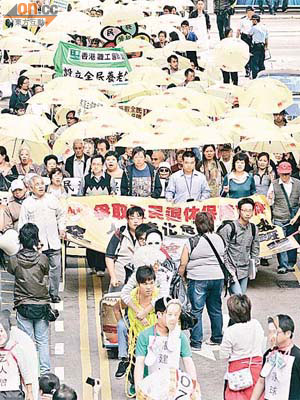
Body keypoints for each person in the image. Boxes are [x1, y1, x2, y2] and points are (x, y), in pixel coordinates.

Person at [7, 223, 51, 375]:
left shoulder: (14, 260)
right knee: (42, 340)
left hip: (23, 304)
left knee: (27, 342)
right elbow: (46, 270)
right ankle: (45, 372)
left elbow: (11, 270)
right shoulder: (42, 258)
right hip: (41, 306)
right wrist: (39, 251)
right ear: (36, 239)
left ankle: (30, 372)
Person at [179, 212, 226, 350]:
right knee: (216, 309)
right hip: (217, 278)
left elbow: (183, 263)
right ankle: (217, 338)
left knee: (196, 311)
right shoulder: (219, 238)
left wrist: (181, 276)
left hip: (198, 278)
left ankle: (196, 342)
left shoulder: (191, 241)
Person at [19, 175, 66, 303]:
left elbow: (61, 214)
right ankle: (39, 294)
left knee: (55, 269)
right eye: (37, 184)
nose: (40, 186)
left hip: (54, 241)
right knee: (37, 271)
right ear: (30, 187)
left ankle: (54, 294)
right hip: (37, 245)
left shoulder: (52, 199)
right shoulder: (27, 203)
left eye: (42, 183)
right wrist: (27, 244)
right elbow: (23, 225)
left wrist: (61, 228)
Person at [135, 297, 198, 391]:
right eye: (169, 315)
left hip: (173, 385)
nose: (173, 319)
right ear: (159, 314)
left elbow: (188, 362)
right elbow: (139, 363)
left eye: (176, 315)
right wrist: (138, 388)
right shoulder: (145, 335)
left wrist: (194, 387)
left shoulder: (180, 336)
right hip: (150, 385)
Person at [114, 266, 157, 396]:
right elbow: (116, 309)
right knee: (136, 366)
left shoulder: (159, 297)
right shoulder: (130, 297)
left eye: (151, 283)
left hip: (155, 339)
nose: (149, 287)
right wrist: (124, 328)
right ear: (138, 284)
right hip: (136, 339)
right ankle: (135, 385)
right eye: (145, 283)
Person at [220, 295, 264, 400]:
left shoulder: (230, 331)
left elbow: (223, 355)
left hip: (237, 370)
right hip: (257, 368)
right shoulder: (256, 324)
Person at [251, 314, 300, 400]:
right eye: (270, 332)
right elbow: (261, 381)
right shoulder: (269, 354)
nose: (271, 336)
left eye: (275, 332)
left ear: (288, 333)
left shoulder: (297, 357)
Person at [218, 198, 260, 294]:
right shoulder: (229, 228)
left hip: (244, 270)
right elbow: (222, 251)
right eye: (245, 210)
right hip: (231, 269)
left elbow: (255, 248)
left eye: (250, 210)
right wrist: (228, 270)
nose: (247, 213)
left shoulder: (254, 228)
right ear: (239, 211)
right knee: (239, 297)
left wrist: (254, 264)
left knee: (239, 301)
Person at [267, 162, 300, 274]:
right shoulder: (274, 184)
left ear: (290, 172)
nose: (285, 176)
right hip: (279, 217)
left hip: (293, 217)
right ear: (279, 173)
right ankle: (283, 264)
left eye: (287, 174)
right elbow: (269, 203)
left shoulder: (298, 184)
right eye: (282, 174)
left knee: (292, 240)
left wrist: (296, 217)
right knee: (281, 241)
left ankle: (291, 263)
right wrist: (270, 198)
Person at [105, 206, 144, 292]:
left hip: (141, 278)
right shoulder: (120, 234)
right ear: (127, 219)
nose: (136, 221)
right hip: (121, 276)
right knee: (116, 303)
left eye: (139, 218)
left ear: (143, 220)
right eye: (132, 218)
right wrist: (113, 277)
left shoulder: (147, 235)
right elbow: (109, 256)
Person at [0, 311, 34, 400]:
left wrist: (29, 392)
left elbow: (25, 371)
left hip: (13, 392)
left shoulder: (15, 348)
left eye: (1, 331)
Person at [237, 6, 255, 77]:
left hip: (252, 38)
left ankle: (251, 68)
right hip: (244, 37)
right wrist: (237, 39)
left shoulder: (255, 19)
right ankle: (247, 69)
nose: (251, 13)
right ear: (247, 12)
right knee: (245, 54)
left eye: (252, 12)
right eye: (249, 12)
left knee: (252, 54)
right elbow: (238, 30)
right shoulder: (243, 20)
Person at [249, 14, 268, 79]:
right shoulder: (264, 27)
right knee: (261, 62)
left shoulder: (254, 28)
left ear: (255, 20)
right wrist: (266, 47)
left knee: (255, 63)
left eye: (253, 20)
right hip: (262, 46)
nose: (252, 22)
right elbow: (266, 38)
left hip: (256, 46)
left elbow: (249, 34)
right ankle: (262, 76)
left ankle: (255, 77)